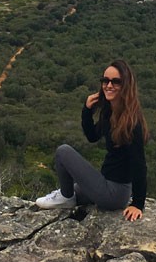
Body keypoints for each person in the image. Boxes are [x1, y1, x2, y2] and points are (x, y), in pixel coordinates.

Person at [35, 59, 149, 221]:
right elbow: (92, 136)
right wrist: (87, 111)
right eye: (105, 80)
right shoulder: (110, 112)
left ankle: (65, 197)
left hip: (115, 192)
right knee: (75, 189)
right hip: (107, 183)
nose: (109, 85)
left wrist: (138, 204)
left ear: (126, 85)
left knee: (63, 152)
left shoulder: (132, 122)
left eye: (116, 81)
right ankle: (67, 195)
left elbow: (139, 164)